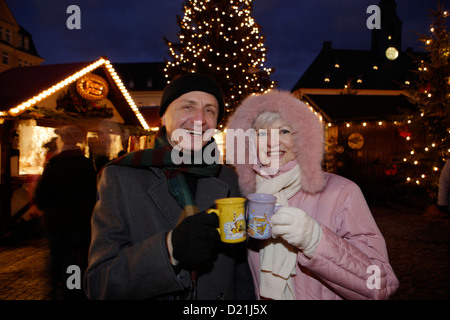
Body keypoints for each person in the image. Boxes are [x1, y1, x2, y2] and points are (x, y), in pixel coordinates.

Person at [84, 73, 254, 300]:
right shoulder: (122, 177)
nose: (199, 119)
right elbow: (99, 283)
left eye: (210, 110)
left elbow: (240, 273)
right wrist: (170, 249)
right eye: (187, 106)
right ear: (163, 117)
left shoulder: (230, 179)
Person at [226, 90, 399, 300]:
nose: (272, 142)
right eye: (262, 133)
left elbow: (382, 284)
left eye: (284, 131)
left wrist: (314, 240)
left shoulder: (342, 192)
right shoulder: (246, 195)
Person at [34, 125, 97, 300]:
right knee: (73, 257)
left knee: (56, 255)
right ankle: (72, 289)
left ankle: (55, 288)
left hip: (56, 221)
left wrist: (44, 207)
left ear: (63, 141)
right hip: (79, 221)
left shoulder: (54, 165)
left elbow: (41, 193)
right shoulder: (86, 164)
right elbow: (94, 192)